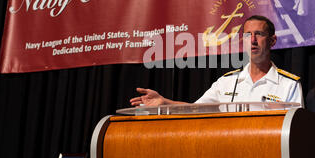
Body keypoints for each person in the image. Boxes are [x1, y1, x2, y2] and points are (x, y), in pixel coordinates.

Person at [130, 15, 304, 107]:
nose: (252, 41)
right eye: (247, 35)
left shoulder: (289, 85)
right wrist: (164, 102)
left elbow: (296, 131)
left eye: (258, 34)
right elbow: (196, 109)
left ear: (272, 41)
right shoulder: (226, 82)